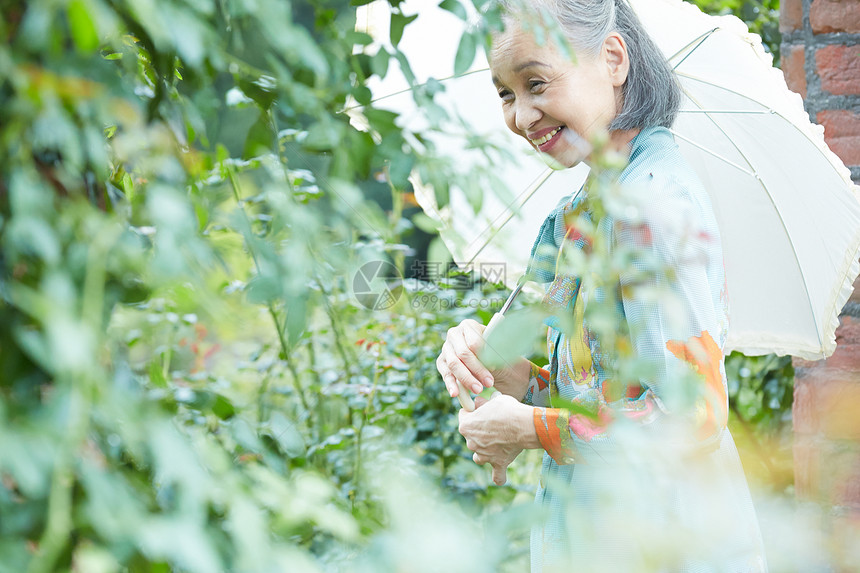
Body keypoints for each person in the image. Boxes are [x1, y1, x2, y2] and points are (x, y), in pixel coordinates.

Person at [435, 0, 769, 571]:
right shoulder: (576, 216)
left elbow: (691, 420)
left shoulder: (654, 210)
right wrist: (487, 362)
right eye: (505, 94)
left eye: (535, 82)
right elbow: (587, 394)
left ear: (613, 58)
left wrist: (530, 428)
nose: (520, 116)